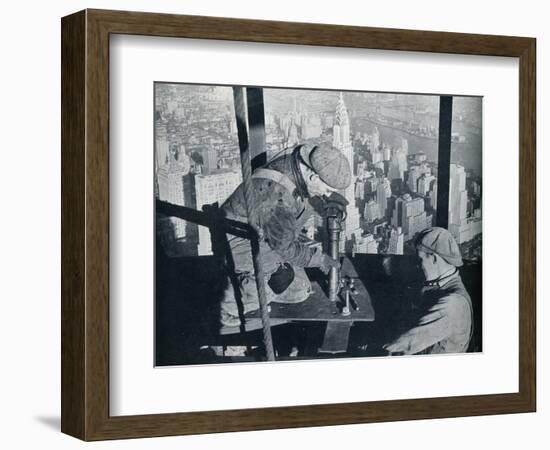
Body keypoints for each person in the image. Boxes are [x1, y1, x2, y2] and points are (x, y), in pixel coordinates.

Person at [218, 143, 351, 328]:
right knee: (287, 284)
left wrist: (327, 204)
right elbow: (285, 246)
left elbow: (301, 200)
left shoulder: (293, 166)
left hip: (261, 230)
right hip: (239, 242)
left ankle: (259, 278)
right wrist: (320, 260)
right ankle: (228, 305)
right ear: (313, 176)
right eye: (327, 190)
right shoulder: (277, 196)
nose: (326, 195)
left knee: (301, 287)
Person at [383, 227, 473, 355]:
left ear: (435, 258)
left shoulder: (453, 304)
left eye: (420, 260)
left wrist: (378, 350)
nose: (417, 265)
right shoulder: (443, 283)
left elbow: (407, 344)